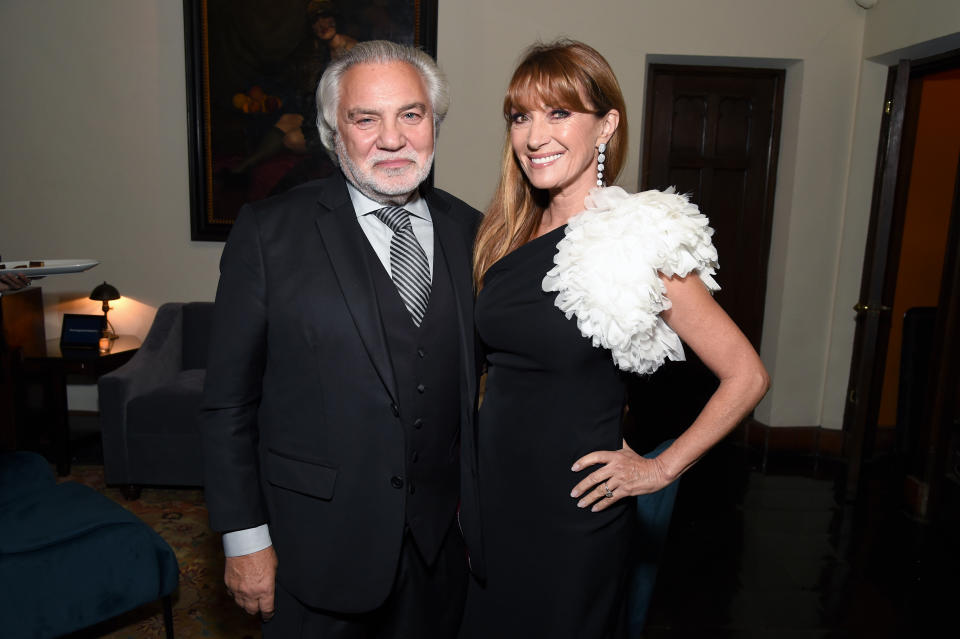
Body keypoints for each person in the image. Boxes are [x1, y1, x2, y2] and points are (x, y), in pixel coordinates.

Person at [458, 40, 770, 638]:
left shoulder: (635, 238)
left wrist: (660, 469)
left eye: (559, 113)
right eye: (521, 116)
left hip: (573, 509)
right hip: (492, 498)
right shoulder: (505, 233)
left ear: (606, 126)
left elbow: (747, 374)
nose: (534, 135)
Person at [200, 40, 482, 638]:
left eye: (411, 114)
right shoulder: (268, 234)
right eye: (365, 118)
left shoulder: (473, 232)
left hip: (441, 557)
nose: (392, 138)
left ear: (434, 122)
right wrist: (245, 540)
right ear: (334, 132)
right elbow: (228, 403)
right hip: (314, 555)